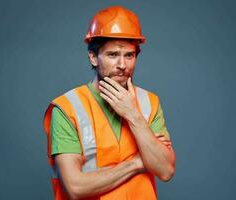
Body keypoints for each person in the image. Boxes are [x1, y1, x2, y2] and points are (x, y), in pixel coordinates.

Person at [43, 5, 175, 200]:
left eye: (129, 55)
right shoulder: (67, 108)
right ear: (93, 57)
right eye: (112, 55)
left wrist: (133, 115)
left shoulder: (149, 103)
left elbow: (165, 170)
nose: (122, 65)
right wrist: (138, 162)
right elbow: (75, 187)